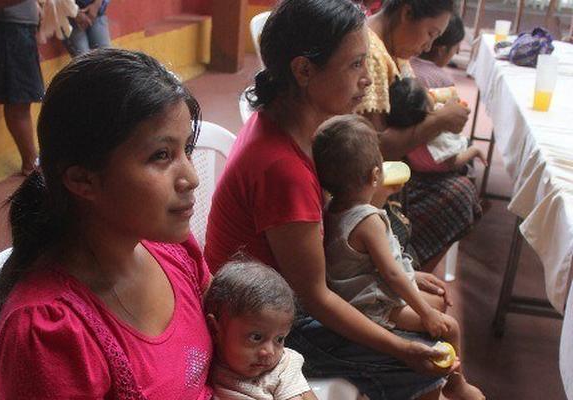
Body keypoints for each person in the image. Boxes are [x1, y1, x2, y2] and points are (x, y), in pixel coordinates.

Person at [205, 1, 458, 399]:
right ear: (304, 70)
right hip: (264, 326)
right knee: (425, 361)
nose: (367, 81)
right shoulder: (281, 167)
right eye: (356, 65)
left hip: (284, 294)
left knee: (428, 312)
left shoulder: (293, 126)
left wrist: (396, 269)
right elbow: (315, 297)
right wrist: (401, 349)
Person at [0, 48, 213, 399]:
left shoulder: (176, 252)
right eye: (160, 155)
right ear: (82, 180)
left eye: (187, 149)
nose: (191, 177)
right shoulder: (51, 333)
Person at [313, 114, 485, 400]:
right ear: (375, 176)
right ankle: (456, 383)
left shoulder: (333, 210)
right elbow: (391, 273)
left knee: (437, 302)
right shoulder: (368, 221)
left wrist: (414, 276)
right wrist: (425, 313)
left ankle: (441, 370)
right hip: (373, 307)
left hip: (355, 297)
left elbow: (367, 263)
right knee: (449, 326)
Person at [357, 1, 478, 271]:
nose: (428, 46)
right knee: (459, 197)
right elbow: (374, 149)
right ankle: (402, 275)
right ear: (407, 12)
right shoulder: (372, 54)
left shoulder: (394, 48)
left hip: (388, 163)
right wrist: (440, 121)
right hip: (362, 177)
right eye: (431, 33)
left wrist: (436, 114)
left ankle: (406, 275)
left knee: (461, 184)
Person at [205, 259, 317, 400]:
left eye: (279, 339)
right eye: (256, 337)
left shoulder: (282, 368)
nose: (269, 352)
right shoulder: (204, 368)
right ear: (215, 330)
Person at [0, 0, 43, 176]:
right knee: (18, 100)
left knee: (23, 98)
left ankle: (33, 160)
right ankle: (31, 163)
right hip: (6, 29)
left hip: (18, 28)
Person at [387, 77, 486, 173]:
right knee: (468, 146)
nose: (428, 90)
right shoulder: (436, 129)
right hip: (440, 170)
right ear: (426, 108)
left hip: (415, 168)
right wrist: (474, 151)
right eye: (426, 92)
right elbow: (453, 163)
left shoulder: (401, 126)